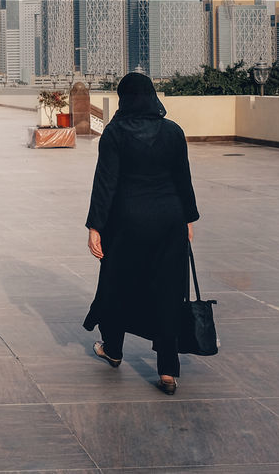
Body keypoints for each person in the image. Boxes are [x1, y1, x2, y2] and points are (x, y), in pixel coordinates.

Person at [83, 72, 199, 395]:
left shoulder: (115, 133)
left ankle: (114, 349)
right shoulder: (173, 132)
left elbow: (105, 184)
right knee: (167, 292)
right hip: (169, 222)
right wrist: (188, 220)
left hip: (126, 223)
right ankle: (167, 372)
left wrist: (96, 226)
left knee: (117, 285)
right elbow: (183, 180)